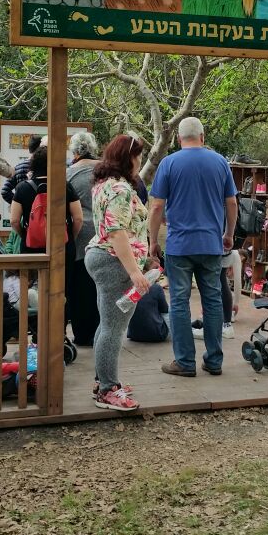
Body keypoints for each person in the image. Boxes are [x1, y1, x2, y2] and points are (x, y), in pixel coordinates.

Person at [148, 117, 238, 377]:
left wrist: (153, 241)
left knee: (179, 301)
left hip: (179, 246)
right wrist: (228, 234)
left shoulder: (169, 163)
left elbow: (157, 206)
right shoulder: (220, 162)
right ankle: (214, 360)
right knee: (212, 300)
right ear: (203, 136)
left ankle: (185, 362)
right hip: (211, 244)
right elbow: (231, 203)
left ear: (178, 139)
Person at [85, 134, 153, 411]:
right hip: (114, 261)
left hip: (102, 257)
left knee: (107, 324)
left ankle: (103, 380)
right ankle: (108, 389)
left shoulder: (104, 184)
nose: (140, 161)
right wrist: (135, 271)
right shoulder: (121, 189)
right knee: (115, 327)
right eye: (138, 156)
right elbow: (116, 232)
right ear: (128, 158)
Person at [9, 147, 83, 254]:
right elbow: (78, 219)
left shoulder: (22, 188)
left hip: (31, 249)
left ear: (33, 164)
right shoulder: (65, 186)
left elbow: (14, 221)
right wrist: (70, 238)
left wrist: (25, 235)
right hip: (62, 248)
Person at [66, 132, 102, 346]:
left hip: (79, 234)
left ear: (75, 151)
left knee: (79, 287)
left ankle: (82, 334)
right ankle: (101, 331)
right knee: (101, 285)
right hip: (104, 232)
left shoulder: (68, 173)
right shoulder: (105, 170)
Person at [1, 134, 42, 205]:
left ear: (29, 149)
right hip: (40, 208)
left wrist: (18, 204)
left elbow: (5, 191)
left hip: (24, 210)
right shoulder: (45, 167)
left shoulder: (19, 167)